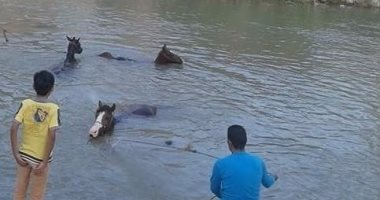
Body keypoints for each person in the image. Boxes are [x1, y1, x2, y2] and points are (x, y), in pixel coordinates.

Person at [10, 70, 60, 200]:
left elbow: (14, 127)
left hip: (23, 156)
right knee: (37, 195)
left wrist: (16, 154)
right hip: (40, 161)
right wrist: (44, 162)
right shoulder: (53, 108)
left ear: (34, 86)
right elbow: (52, 134)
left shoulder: (26, 104)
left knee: (19, 192)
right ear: (52, 88)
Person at [210, 125, 278, 200]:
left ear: (229, 142)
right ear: (245, 141)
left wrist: (224, 196)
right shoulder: (258, 161)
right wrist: (274, 177)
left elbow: (214, 189)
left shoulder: (220, 164)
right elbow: (267, 183)